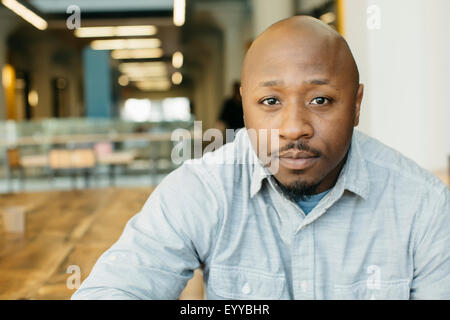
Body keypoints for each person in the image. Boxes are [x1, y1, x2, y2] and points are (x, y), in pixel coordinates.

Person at [72, 16, 450, 300]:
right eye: (270, 102)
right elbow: (117, 289)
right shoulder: (203, 190)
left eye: (320, 100)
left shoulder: (422, 205)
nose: (293, 128)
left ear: (356, 105)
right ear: (244, 106)